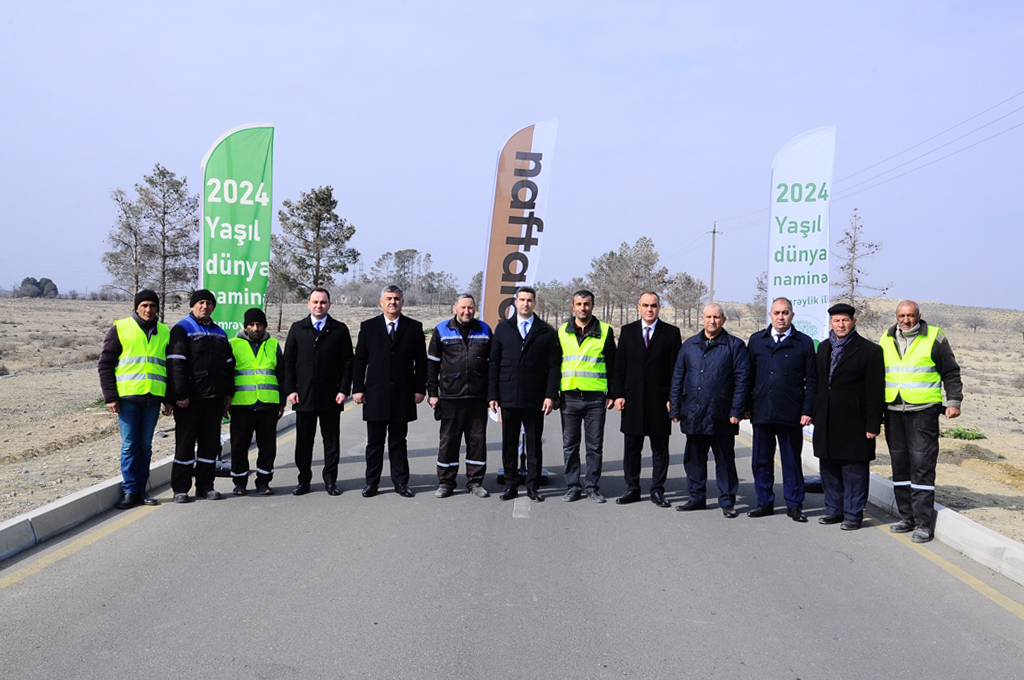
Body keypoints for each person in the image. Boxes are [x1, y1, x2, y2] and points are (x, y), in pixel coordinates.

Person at [880, 300, 963, 543]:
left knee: (922, 465)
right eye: (901, 315)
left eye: (910, 315)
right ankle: (906, 517)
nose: (906, 320)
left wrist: (954, 401)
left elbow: (950, 372)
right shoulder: (886, 338)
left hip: (923, 411)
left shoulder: (935, 338)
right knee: (900, 465)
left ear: (919, 316)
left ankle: (923, 524)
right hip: (893, 410)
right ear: (896, 316)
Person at [669, 303, 750, 518]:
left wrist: (737, 411)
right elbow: (678, 377)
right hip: (693, 412)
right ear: (702, 319)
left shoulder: (735, 345)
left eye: (717, 317)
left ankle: (727, 501)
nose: (712, 321)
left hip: (721, 414)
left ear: (723, 320)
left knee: (724, 460)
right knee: (694, 459)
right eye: (709, 317)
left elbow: (743, 381)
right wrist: (675, 408)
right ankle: (696, 497)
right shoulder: (690, 345)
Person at [812, 303, 885, 531]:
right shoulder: (824, 348)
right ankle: (834, 510)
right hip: (827, 419)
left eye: (844, 320)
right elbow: (819, 384)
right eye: (836, 320)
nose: (840, 325)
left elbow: (875, 391)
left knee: (854, 470)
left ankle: (853, 514)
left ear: (854, 322)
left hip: (855, 421)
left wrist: (873, 423)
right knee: (829, 467)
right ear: (830, 323)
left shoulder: (870, 351)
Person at [745, 297, 818, 522]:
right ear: (770, 315)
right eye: (776, 313)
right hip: (762, 411)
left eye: (785, 313)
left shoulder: (804, 343)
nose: (780, 317)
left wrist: (807, 410)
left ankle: (794, 504)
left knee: (791, 461)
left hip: (791, 413)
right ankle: (764, 502)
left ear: (792, 316)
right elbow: (748, 377)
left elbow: (812, 380)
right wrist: (746, 407)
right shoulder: (757, 341)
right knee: (761, 461)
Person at [97, 289, 171, 508]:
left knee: (146, 446)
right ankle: (129, 491)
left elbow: (169, 367)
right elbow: (105, 364)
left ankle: (141, 490)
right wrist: (110, 396)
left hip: (152, 399)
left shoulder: (165, 332)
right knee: (130, 446)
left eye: (152, 306)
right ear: (137, 307)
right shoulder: (120, 328)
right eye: (144, 305)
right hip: (127, 398)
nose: (148, 310)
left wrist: (169, 398)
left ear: (157, 308)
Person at [352, 285, 427, 498]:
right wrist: (357, 389)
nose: (392, 302)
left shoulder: (414, 327)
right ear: (381, 302)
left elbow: (421, 362)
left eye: (396, 298)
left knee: (398, 442)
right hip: (375, 394)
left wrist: (419, 389)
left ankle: (401, 483)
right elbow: (360, 361)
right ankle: (371, 483)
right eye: (388, 298)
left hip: (402, 395)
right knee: (374, 443)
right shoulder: (368, 327)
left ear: (402, 302)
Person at [488, 286, 560, 502]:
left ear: (534, 303)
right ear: (515, 302)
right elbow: (494, 363)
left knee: (534, 443)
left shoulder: (546, 331)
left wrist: (550, 395)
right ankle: (510, 484)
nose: (525, 303)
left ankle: (532, 485)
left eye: (529, 300)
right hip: (508, 396)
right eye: (522, 300)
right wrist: (493, 395)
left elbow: (554, 366)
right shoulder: (502, 329)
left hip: (535, 397)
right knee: (509, 442)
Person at [610, 292, 681, 507]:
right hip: (632, 400)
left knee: (659, 449)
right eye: (646, 305)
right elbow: (619, 366)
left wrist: (673, 399)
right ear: (638, 307)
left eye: (654, 305)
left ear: (659, 308)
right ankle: (632, 487)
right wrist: (618, 394)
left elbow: (676, 370)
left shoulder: (671, 333)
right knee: (632, 448)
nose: (649, 309)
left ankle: (657, 490)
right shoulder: (628, 331)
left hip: (659, 401)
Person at [282, 288, 353, 496]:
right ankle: (304, 481)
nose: (318, 306)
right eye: (315, 302)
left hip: (331, 396)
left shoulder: (339, 330)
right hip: (303, 396)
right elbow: (288, 362)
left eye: (323, 302)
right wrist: (290, 390)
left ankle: (330, 481)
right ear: (308, 304)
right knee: (304, 442)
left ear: (329, 304)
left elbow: (348, 363)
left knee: (331, 442)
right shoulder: (297, 329)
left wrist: (343, 391)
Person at [167, 289, 235, 503]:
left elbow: (229, 365)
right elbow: (176, 363)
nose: (204, 306)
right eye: (200, 303)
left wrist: (227, 393)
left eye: (208, 303)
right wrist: (180, 394)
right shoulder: (181, 328)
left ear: (213, 307)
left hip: (214, 399)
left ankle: (205, 486)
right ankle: (180, 488)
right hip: (190, 400)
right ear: (192, 306)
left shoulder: (220, 333)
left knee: (209, 445)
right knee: (185, 445)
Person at [427, 294, 492, 498]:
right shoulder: (441, 330)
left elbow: (493, 366)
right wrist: (433, 393)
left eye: (470, 308)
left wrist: (492, 395)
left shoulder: (485, 330)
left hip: (477, 397)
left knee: (477, 441)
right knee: (449, 441)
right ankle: (446, 482)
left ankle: (475, 482)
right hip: (450, 397)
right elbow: (432, 365)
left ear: (475, 309)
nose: (467, 311)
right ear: (455, 307)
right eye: (463, 307)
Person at [557, 289, 616, 503]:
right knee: (570, 445)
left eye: (587, 304)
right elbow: (556, 364)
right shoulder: (562, 331)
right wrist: (553, 393)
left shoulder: (605, 331)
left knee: (594, 446)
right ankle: (573, 486)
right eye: (579, 304)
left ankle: (591, 487)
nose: (583, 308)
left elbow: (613, 365)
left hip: (595, 399)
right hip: (569, 397)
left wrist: (612, 394)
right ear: (573, 306)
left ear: (593, 306)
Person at [228, 307, 285, 495]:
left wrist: (282, 402)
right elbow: (226, 375)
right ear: (245, 327)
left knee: (267, 446)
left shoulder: (273, 344)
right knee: (239, 445)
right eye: (251, 325)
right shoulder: (233, 344)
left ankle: (264, 481)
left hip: (268, 404)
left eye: (259, 324)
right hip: (241, 405)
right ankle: (240, 482)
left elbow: (282, 375)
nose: (255, 328)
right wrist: (225, 401)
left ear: (265, 326)